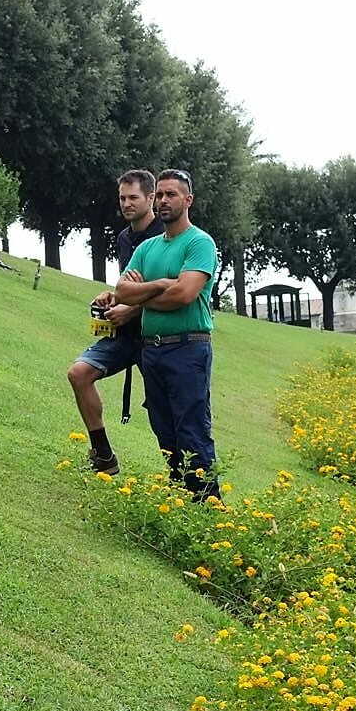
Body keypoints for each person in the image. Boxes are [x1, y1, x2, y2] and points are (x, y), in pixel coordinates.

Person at [113, 169, 220, 498]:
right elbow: (121, 291)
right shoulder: (147, 248)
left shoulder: (200, 243)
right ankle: (182, 499)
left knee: (192, 431)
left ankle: (209, 508)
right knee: (164, 430)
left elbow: (183, 295)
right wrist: (160, 284)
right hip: (153, 351)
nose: (162, 200)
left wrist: (142, 294)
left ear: (187, 200)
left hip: (188, 350)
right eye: (159, 194)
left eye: (170, 194)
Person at [66, 169, 165, 474]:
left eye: (133, 197)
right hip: (124, 336)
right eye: (122, 198)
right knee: (78, 374)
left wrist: (132, 308)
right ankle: (103, 455)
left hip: (157, 336)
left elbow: (170, 288)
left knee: (163, 411)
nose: (126, 203)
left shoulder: (167, 235)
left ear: (150, 197)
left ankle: (184, 478)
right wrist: (113, 297)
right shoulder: (124, 237)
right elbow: (131, 285)